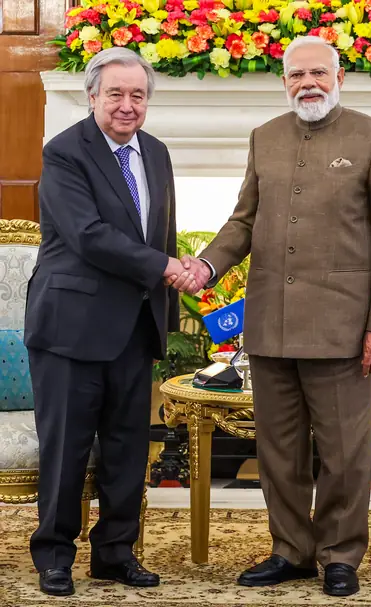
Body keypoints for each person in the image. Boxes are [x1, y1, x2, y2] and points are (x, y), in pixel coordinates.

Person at [176, 36, 371, 596]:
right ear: (284, 82)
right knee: (278, 453)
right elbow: (243, 221)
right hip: (270, 324)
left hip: (343, 328)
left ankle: (340, 555)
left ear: (339, 78)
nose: (308, 83)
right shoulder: (265, 137)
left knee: (344, 454)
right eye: (296, 75)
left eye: (318, 73)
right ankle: (291, 551)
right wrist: (206, 265)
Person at [24, 47, 196, 597]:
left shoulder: (157, 152)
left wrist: (169, 295)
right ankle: (54, 556)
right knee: (67, 449)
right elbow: (89, 235)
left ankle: (116, 554)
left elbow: (162, 231)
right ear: (92, 95)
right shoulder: (64, 152)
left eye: (137, 95)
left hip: (135, 326)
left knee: (127, 448)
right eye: (116, 93)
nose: (127, 105)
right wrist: (167, 267)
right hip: (71, 327)